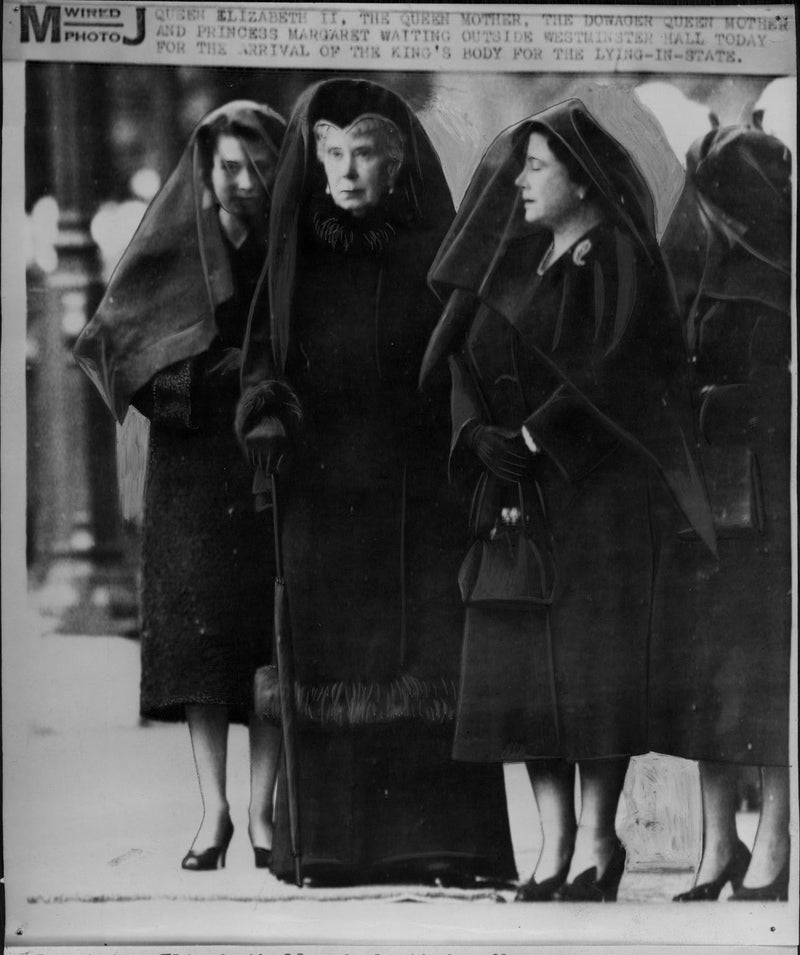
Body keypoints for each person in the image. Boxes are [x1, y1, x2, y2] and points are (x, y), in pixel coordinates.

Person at [421, 98, 716, 902]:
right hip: (512, 498)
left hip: (597, 499)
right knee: (520, 674)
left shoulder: (617, 254)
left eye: (538, 167)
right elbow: (461, 361)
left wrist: (535, 440)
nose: (520, 181)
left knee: (593, 671)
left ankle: (595, 842)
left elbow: (623, 365)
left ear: (584, 182)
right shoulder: (511, 263)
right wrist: (476, 433)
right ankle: (549, 846)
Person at [236, 78, 516, 887]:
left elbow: (476, 358)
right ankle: (327, 846)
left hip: (420, 483)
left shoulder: (438, 249)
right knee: (330, 650)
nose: (347, 171)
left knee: (427, 646)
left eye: (364, 154)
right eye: (331, 154)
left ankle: (442, 842)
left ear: (396, 164)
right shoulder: (296, 255)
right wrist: (266, 414)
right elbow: (262, 357)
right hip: (323, 487)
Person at [74, 101, 286, 871]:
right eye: (229, 166)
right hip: (194, 468)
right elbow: (120, 355)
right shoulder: (171, 250)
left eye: (259, 165)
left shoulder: (290, 249)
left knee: (268, 640)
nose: (244, 180)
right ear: (205, 170)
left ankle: (263, 815)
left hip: (269, 467)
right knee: (201, 645)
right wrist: (210, 384)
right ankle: (214, 812)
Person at [652, 127, 792, 901]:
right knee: (708, 669)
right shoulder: (694, 269)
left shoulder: (782, 280)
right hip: (708, 497)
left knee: (762, 673)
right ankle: (718, 848)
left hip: (769, 503)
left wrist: (710, 400)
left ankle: (773, 839)